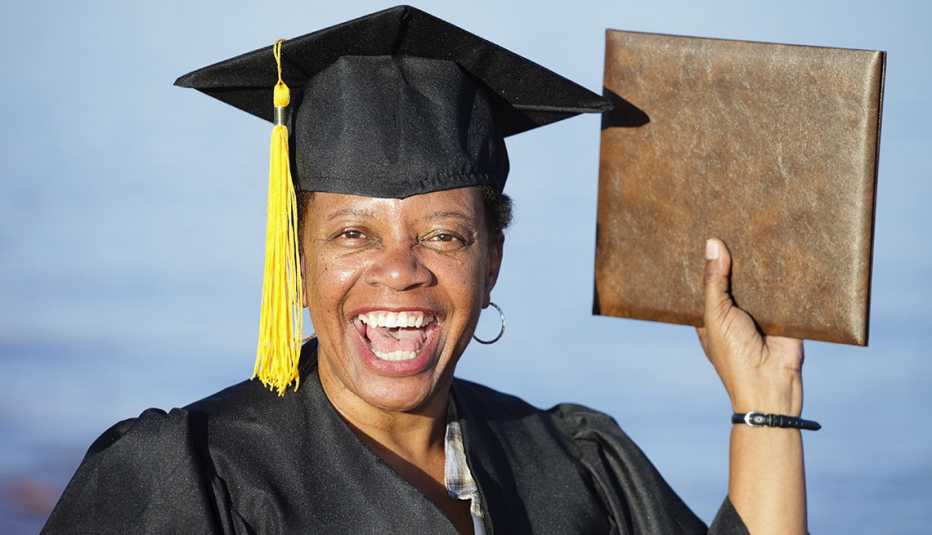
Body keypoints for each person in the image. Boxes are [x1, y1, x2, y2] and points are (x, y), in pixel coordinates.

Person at [43, 6, 814, 534]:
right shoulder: (188, 480)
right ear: (297, 259)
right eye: (352, 233)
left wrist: (764, 398)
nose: (399, 270)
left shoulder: (567, 463)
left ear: (493, 259)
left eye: (444, 236)